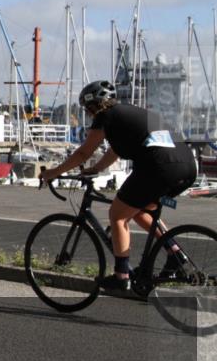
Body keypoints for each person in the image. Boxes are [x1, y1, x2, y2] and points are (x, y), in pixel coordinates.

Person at [39, 80, 198, 291]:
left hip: (160, 167)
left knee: (118, 214)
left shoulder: (105, 115)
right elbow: (114, 151)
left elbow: (83, 152)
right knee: (140, 210)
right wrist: (95, 168)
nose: (88, 114)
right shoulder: (129, 113)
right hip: (187, 166)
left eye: (87, 110)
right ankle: (176, 255)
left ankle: (121, 275)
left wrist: (52, 173)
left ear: (94, 105)